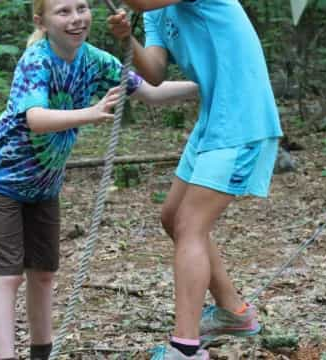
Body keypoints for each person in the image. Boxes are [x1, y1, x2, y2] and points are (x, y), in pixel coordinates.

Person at [0, 0, 198, 359]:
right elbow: (35, 117)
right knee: (8, 274)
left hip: (44, 184)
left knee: (43, 273)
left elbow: (152, 93)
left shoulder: (96, 60)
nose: (76, 19)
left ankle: (41, 354)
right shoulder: (36, 59)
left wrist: (206, 85)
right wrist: (90, 113)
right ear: (41, 21)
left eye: (82, 8)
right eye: (63, 11)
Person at [108, 1, 283, 359]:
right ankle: (232, 313)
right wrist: (128, 40)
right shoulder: (157, 11)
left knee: (190, 225)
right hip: (213, 122)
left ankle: (184, 349)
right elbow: (155, 71)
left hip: (242, 119)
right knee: (173, 218)